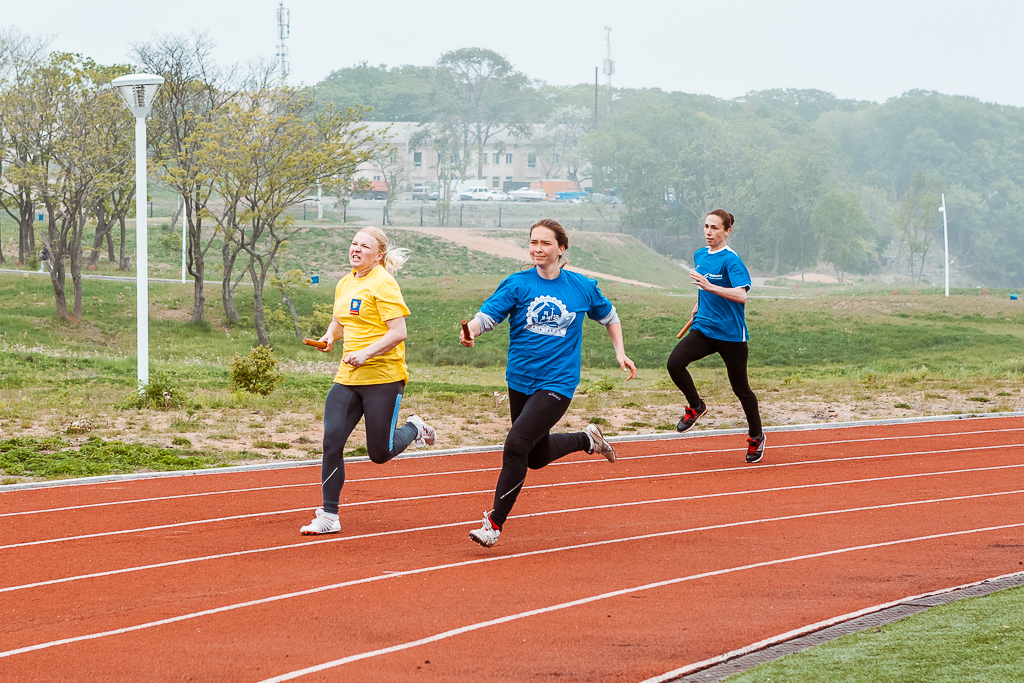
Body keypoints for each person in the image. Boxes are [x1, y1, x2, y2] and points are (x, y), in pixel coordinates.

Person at [460, 218, 637, 548]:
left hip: (557, 383)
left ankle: (494, 524)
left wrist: (620, 353)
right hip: (520, 379)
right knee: (535, 457)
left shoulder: (581, 287)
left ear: (561, 248)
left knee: (515, 445)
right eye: (533, 243)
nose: (537, 249)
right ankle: (588, 439)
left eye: (544, 243)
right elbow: (487, 317)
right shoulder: (517, 284)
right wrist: (470, 331)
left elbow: (610, 316)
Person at [300, 227, 436, 535]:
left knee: (379, 453)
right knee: (331, 440)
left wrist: (365, 353)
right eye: (354, 243)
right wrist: (328, 337)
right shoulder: (345, 282)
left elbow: (398, 332)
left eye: (365, 246)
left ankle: (414, 427)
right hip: (348, 377)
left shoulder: (384, 284)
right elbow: (340, 321)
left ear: (379, 255)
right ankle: (329, 515)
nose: (356, 249)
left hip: (383, 377)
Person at [667, 209, 765, 463]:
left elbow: (741, 295)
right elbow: (704, 287)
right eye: (706, 227)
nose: (709, 232)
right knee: (674, 364)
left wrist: (710, 287)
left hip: (731, 334)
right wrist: (700, 302)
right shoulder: (700, 255)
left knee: (741, 389)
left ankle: (756, 437)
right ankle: (696, 406)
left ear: (727, 231)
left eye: (715, 228)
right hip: (704, 328)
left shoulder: (731, 260)